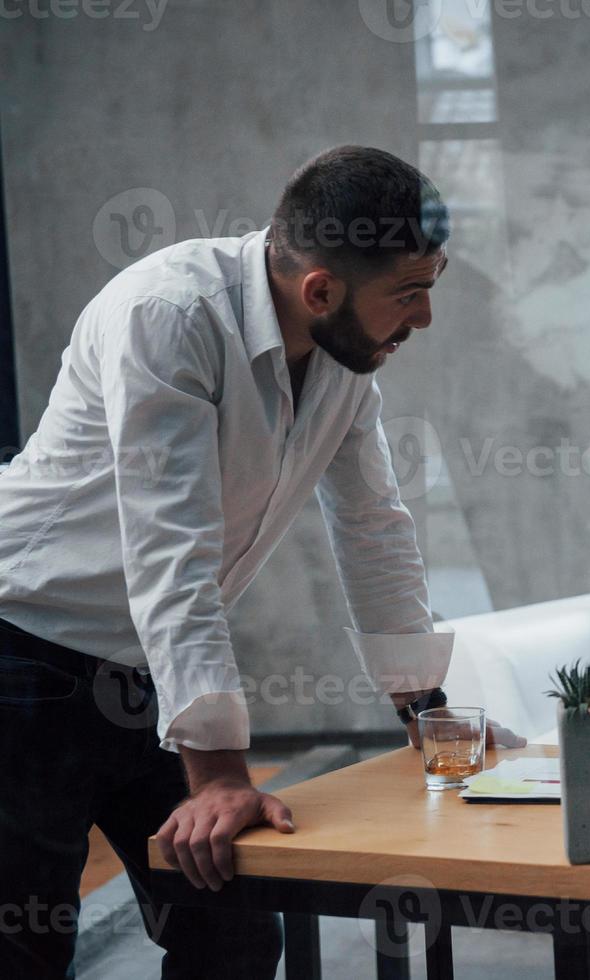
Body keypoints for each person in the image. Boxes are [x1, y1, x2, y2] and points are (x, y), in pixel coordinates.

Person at [0, 146, 522, 979]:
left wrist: (427, 713)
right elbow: (171, 549)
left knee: (232, 932)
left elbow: (373, 526)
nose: (424, 318)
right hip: (24, 653)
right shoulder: (168, 315)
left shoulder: (349, 359)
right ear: (320, 290)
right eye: (410, 294)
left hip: (146, 670)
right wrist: (217, 778)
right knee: (24, 947)